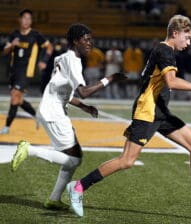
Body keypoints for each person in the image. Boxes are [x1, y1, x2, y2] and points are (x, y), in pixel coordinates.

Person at [66, 15, 191, 217]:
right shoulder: (164, 51)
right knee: (126, 161)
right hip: (147, 112)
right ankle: (78, 187)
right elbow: (171, 82)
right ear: (175, 33)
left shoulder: (166, 51)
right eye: (186, 38)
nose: (188, 43)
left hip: (160, 111)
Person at [10, 23, 126, 210]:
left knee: (73, 159)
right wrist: (109, 79)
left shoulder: (63, 57)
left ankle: (54, 199)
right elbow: (83, 91)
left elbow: (65, 92)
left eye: (91, 39)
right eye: (86, 39)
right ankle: (29, 149)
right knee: (75, 159)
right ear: (75, 41)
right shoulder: (73, 61)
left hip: (51, 109)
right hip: (54, 113)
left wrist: (85, 108)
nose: (90, 43)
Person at [0, 9, 53, 134]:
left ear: (31, 21)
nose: (26, 20)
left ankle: (7, 127)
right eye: (24, 18)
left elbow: (49, 47)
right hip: (13, 71)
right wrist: (12, 45)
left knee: (14, 97)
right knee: (18, 100)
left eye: (29, 18)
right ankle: (37, 115)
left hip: (26, 72)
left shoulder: (35, 35)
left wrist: (44, 60)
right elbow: (5, 51)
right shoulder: (15, 34)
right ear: (20, 19)